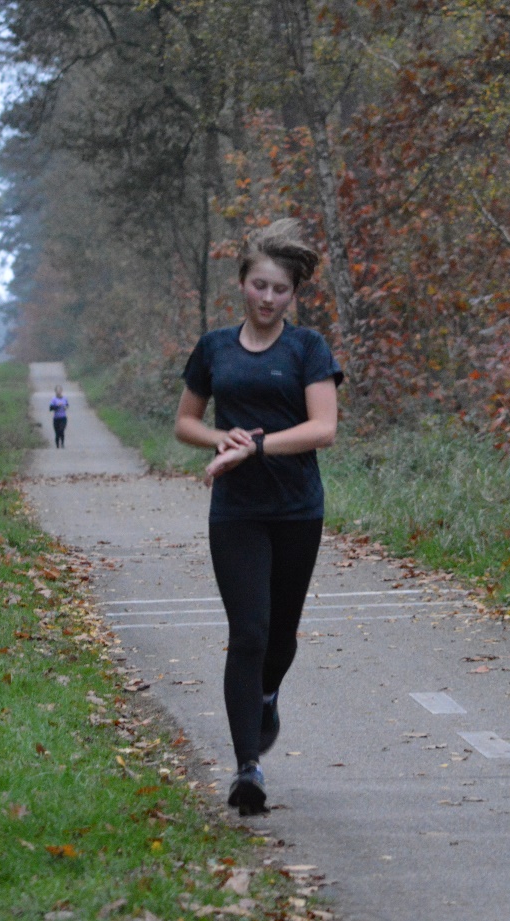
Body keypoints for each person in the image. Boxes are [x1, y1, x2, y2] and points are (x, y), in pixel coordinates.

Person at [174, 219, 342, 816]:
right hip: (237, 512)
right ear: (242, 284)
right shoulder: (215, 347)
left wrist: (259, 445)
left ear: (293, 295)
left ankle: (268, 694)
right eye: (259, 286)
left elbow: (324, 427)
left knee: (280, 637)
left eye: (280, 291)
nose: (269, 299)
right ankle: (248, 769)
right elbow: (185, 421)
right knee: (247, 634)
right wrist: (222, 438)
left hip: (297, 510)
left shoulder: (307, 348)